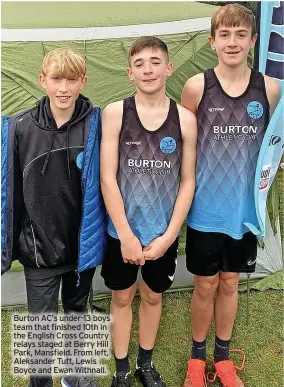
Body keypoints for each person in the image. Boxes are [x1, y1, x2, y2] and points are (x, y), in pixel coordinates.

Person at [180, 4, 281, 387]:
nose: (233, 42)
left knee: (230, 282)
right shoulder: (196, 86)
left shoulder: (269, 89)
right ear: (212, 41)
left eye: (241, 35)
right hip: (206, 209)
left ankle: (222, 360)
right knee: (205, 284)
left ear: (254, 41)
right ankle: (197, 358)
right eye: (225, 35)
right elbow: (185, 141)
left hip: (244, 211)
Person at [1, 48, 106, 387]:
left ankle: (76, 379)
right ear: (42, 80)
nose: (64, 88)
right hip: (38, 251)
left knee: (78, 318)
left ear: (83, 82)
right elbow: (9, 190)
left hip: (80, 248)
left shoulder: (97, 124)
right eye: (56, 79)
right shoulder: (18, 128)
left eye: (71, 79)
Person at [100, 36, 197, 387]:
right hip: (121, 233)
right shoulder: (115, 113)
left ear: (168, 68)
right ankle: (122, 371)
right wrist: (125, 235)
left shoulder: (184, 120)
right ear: (130, 72)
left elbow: (187, 182)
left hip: (162, 233)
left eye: (156, 61)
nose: (148, 69)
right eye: (140, 63)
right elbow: (108, 180)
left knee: (153, 296)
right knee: (123, 296)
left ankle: (145, 364)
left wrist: (169, 235)